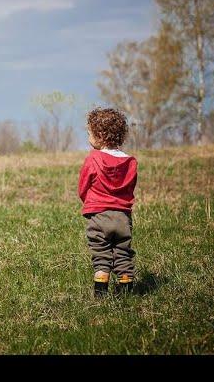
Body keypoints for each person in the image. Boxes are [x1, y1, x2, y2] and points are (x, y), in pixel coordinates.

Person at [78, 108, 138, 298]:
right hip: (122, 216)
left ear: (99, 136)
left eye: (89, 133)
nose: (88, 137)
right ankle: (126, 293)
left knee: (101, 255)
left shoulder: (93, 158)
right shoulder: (130, 161)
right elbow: (131, 187)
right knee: (122, 253)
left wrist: (88, 201)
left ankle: (100, 296)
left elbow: (83, 185)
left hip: (99, 216)